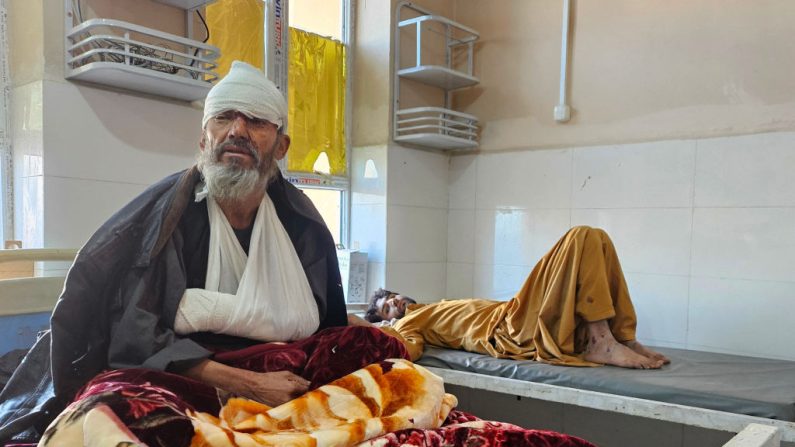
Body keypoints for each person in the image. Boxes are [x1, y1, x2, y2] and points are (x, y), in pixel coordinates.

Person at [0, 61, 407, 446]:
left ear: (281, 146)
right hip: (185, 369)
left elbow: (323, 322)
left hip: (282, 363)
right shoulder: (164, 218)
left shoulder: (300, 221)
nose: (238, 130)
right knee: (111, 408)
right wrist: (245, 383)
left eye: (256, 121)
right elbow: (134, 332)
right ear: (203, 137)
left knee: (384, 358)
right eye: (225, 117)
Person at [350, 226, 670, 370]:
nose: (393, 302)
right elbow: (404, 347)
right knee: (582, 236)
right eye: (386, 308)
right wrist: (361, 325)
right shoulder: (410, 325)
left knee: (597, 239)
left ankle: (622, 337)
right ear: (388, 321)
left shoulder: (434, 305)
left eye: (392, 296)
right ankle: (601, 341)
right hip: (509, 330)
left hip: (514, 312)